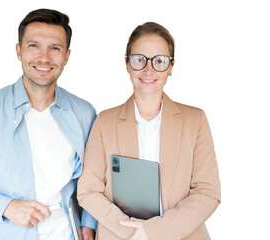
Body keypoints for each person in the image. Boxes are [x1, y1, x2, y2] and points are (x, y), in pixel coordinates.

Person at [0, 8, 96, 240]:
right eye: (33, 45)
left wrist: (89, 224)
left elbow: (92, 180)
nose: (44, 57)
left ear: (67, 56)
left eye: (55, 48)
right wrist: (7, 206)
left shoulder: (84, 113)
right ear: (19, 51)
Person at [77, 22, 221, 240]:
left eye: (159, 61)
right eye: (139, 59)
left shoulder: (195, 120)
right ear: (127, 63)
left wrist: (153, 233)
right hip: (119, 235)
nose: (148, 69)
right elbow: (88, 191)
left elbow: (208, 192)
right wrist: (133, 231)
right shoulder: (104, 122)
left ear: (171, 66)